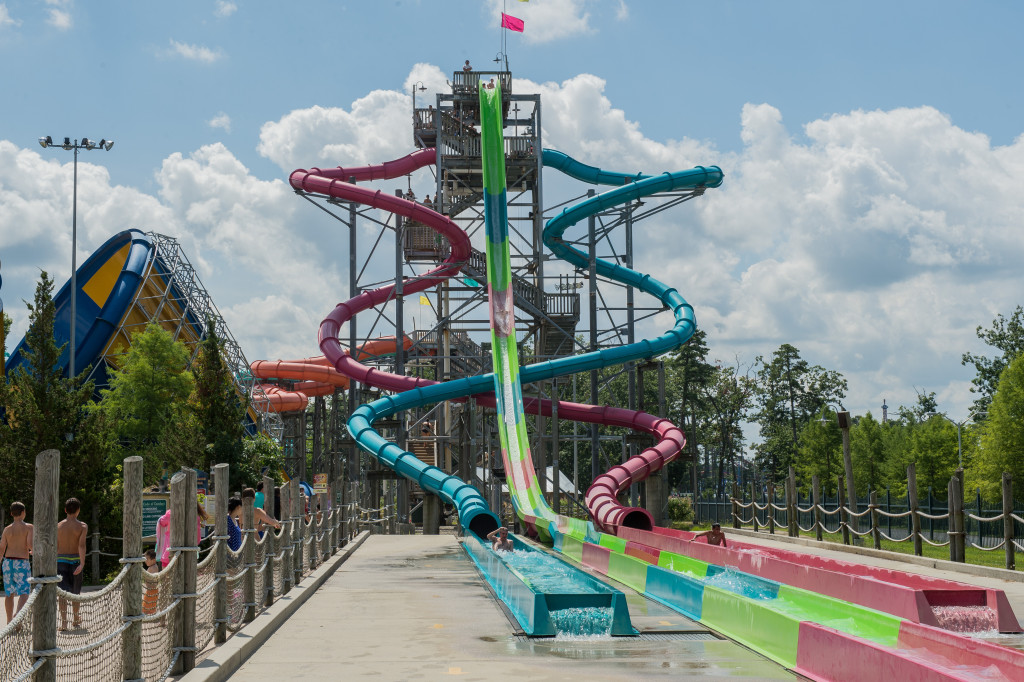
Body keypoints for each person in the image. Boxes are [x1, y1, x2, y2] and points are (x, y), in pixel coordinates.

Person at [57, 497, 88, 630]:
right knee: (75, 592)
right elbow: (81, 546)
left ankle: (64, 622)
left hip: (60, 561)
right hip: (75, 560)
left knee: (62, 594)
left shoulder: (58, 526)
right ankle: (75, 618)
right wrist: (82, 563)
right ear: (78, 510)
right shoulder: (82, 526)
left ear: (65, 510)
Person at [1, 501, 33, 622]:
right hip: (21, 563)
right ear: (23, 512)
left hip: (8, 562)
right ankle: (17, 617)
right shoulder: (29, 527)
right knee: (24, 592)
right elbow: (29, 544)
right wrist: (33, 550)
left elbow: (2, 548)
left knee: (9, 593)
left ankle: (9, 621)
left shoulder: (7, 529)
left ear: (11, 514)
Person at [142, 549, 159, 616]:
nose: (145, 561)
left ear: (153, 560)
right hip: (151, 589)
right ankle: (150, 613)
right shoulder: (153, 566)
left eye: (147, 559)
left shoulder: (153, 568)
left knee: (148, 603)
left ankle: (147, 614)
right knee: (150, 603)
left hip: (152, 590)